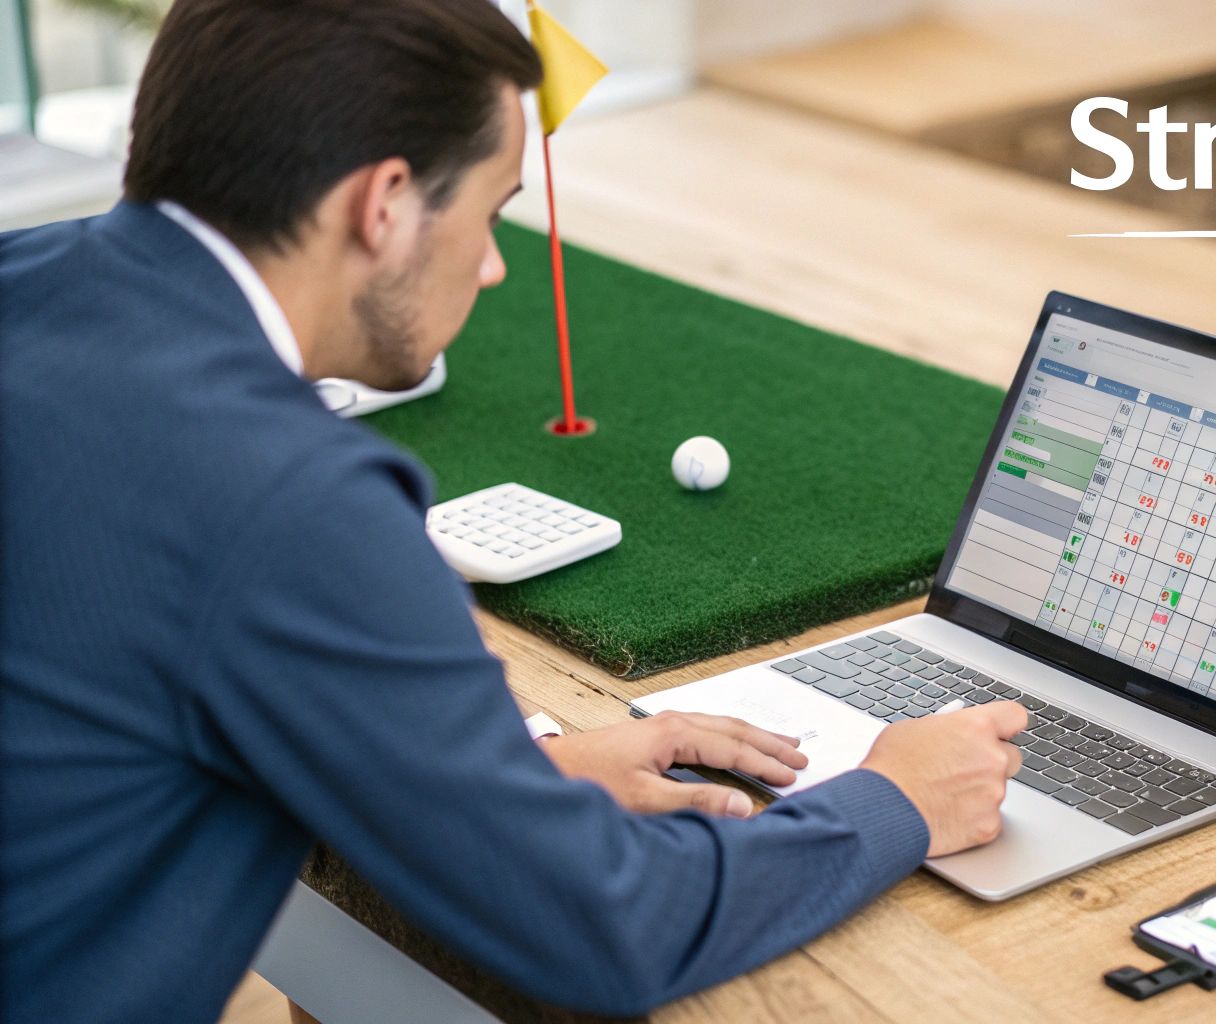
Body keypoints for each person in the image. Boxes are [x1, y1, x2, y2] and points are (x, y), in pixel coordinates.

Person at [0, 1, 1027, 1020]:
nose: (494, 266)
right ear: (385, 203)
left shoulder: (22, 281)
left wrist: (502, 781)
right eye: (492, 211)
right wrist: (893, 802)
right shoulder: (291, 497)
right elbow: (608, 925)